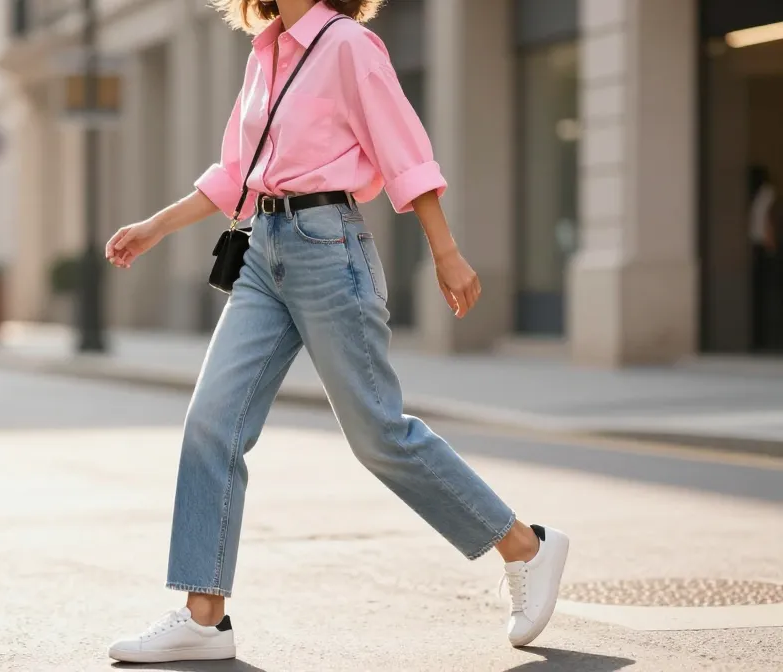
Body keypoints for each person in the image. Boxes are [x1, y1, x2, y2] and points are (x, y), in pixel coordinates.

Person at [104, 0, 569, 663]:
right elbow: (234, 170)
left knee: (377, 434)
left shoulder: (349, 45)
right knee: (212, 422)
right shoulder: (264, 53)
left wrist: (446, 251)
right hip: (264, 252)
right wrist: (155, 226)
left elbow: (405, 152)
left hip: (330, 249)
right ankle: (203, 617)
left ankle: (525, 546)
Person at [749, 166, 778, 351]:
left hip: (758, 247)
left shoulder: (757, 195)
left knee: (762, 294)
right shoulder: (767, 194)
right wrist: (772, 243)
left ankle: (763, 337)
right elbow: (767, 221)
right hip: (764, 247)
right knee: (768, 293)